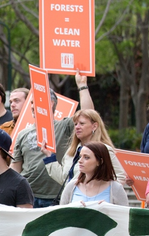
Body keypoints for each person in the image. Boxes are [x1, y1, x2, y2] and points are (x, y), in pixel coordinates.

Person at [12, 74, 90, 207]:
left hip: (56, 197)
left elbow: (88, 114)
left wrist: (82, 86)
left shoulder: (64, 126)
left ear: (51, 103)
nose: (32, 106)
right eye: (31, 102)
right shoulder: (22, 134)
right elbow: (15, 168)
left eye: (36, 102)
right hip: (27, 196)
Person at [46, 109, 127, 187]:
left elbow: (119, 177)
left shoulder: (104, 150)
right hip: (71, 200)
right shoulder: (72, 151)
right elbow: (64, 179)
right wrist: (49, 157)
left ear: (94, 126)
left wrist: (99, 193)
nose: (77, 127)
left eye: (82, 123)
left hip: (92, 200)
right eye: (75, 124)